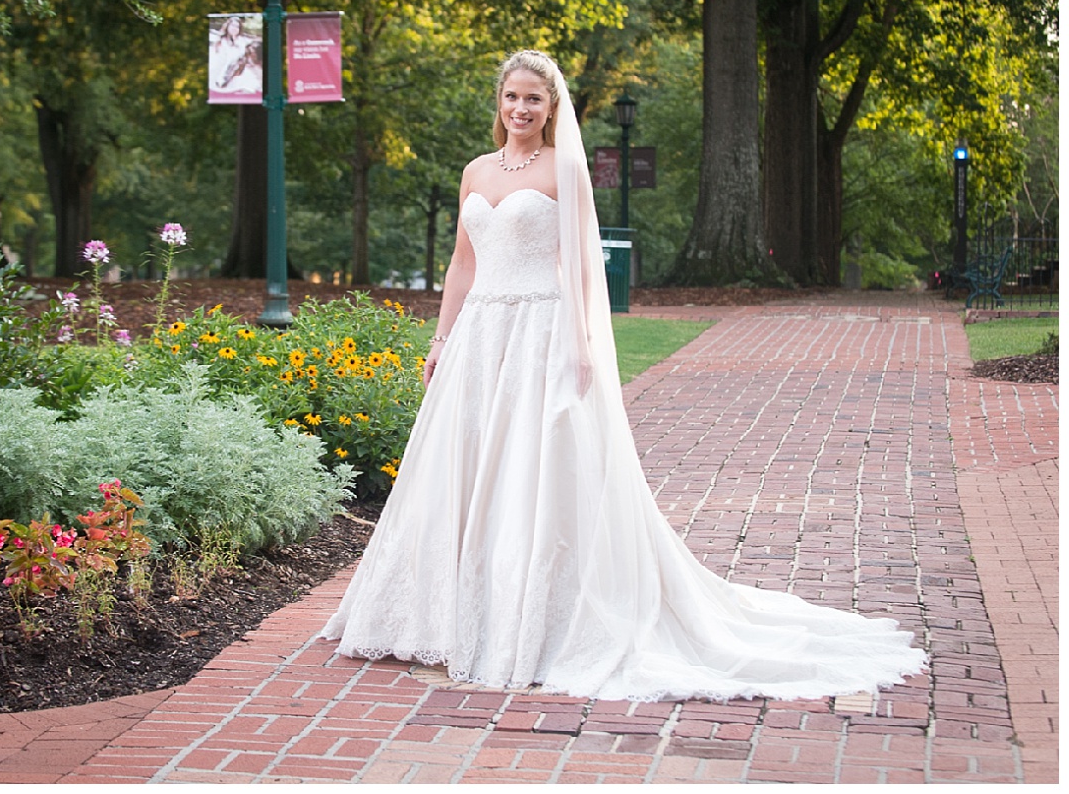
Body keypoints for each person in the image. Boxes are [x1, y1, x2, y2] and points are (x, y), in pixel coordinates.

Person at [319, 50, 926, 701]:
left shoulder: (566, 169)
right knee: (465, 472)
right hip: (479, 339)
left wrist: (581, 344)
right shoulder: (474, 170)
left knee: (532, 473)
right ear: (499, 101)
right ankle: (449, 614)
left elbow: (583, 266)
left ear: (551, 108)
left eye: (534, 99)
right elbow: (462, 267)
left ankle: (534, 620)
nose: (521, 108)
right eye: (512, 97)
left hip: (539, 334)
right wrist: (440, 338)